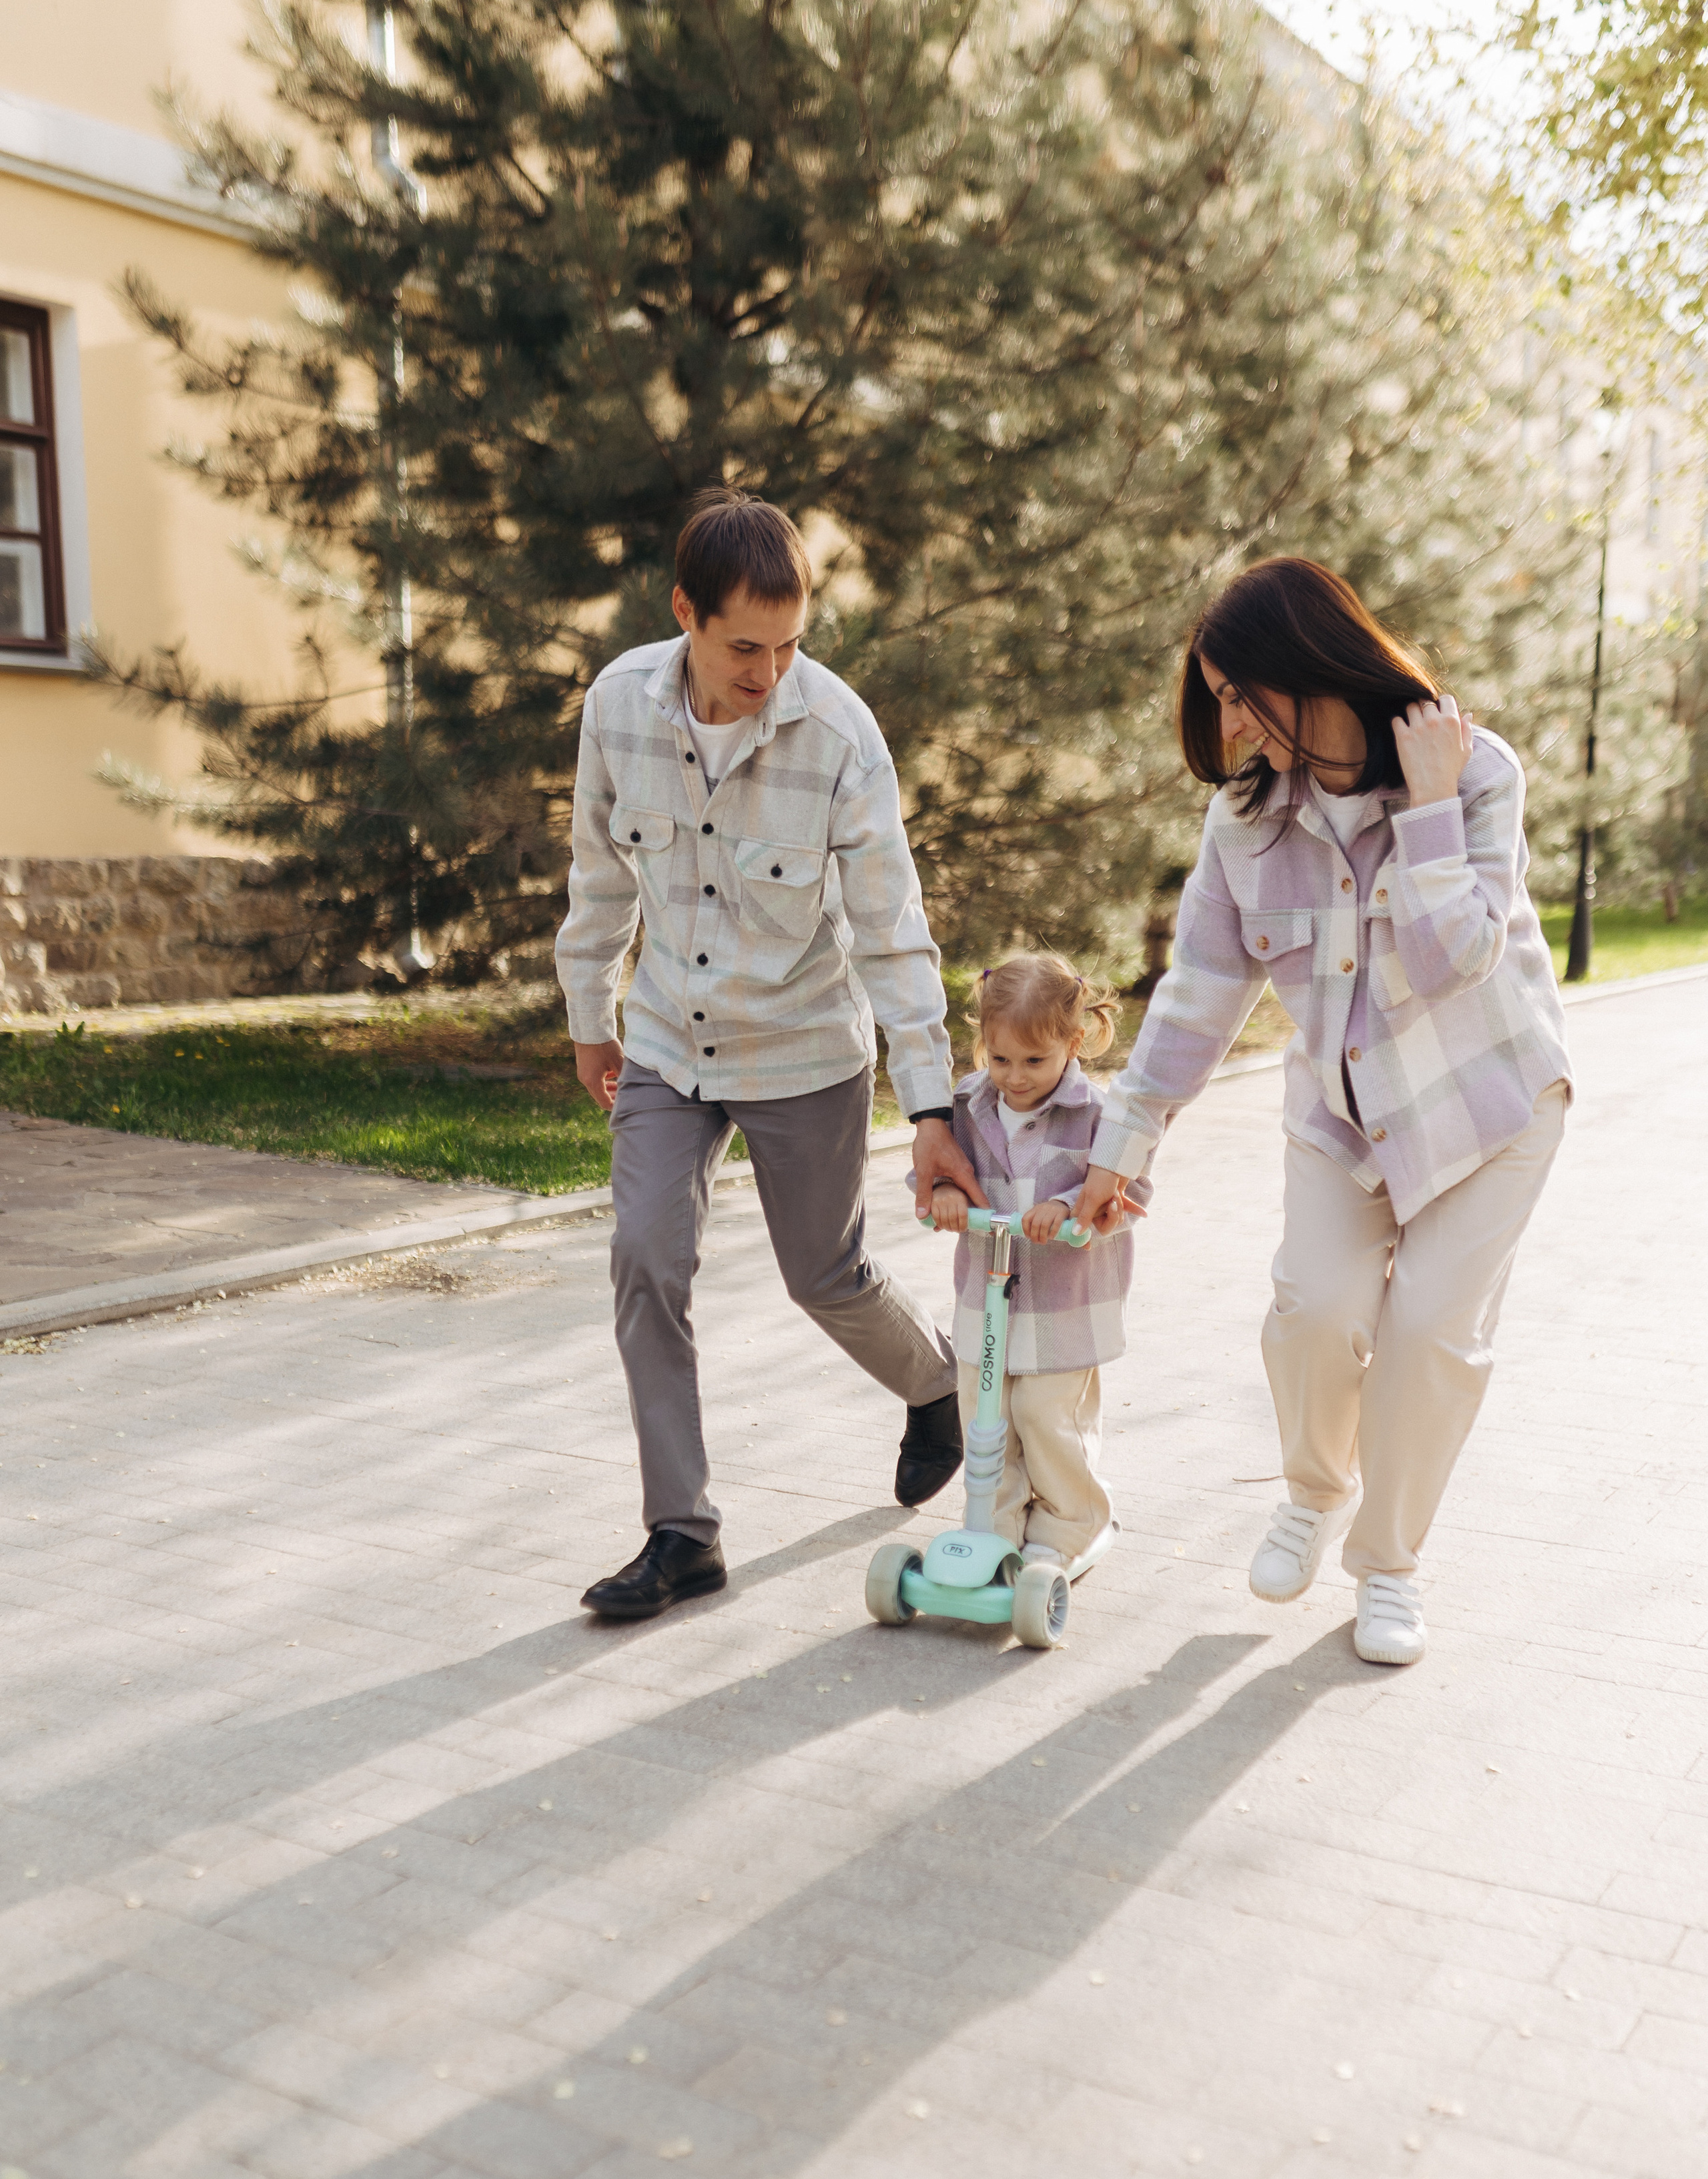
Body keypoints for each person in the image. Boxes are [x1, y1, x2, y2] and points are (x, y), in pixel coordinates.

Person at [1072, 557, 1573, 1666]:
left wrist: (1432, 807)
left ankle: (1387, 1567)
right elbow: (1199, 994)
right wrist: (1126, 1144)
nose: (1234, 727)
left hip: (1486, 1112)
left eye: (1242, 697)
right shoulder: (1246, 819)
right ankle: (1313, 1490)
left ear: (1304, 665)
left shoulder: (1473, 771)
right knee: (1315, 1311)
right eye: (1220, 705)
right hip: (1344, 1120)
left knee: (1430, 1337)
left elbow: (1456, 960)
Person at [559, 489, 985, 1620]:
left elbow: (894, 933)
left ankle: (937, 1380)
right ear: (684, 616)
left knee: (822, 1273)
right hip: (664, 1042)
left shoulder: (839, 736)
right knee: (647, 1256)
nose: (767, 673)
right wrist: (588, 1012)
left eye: (789, 645)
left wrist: (932, 1106)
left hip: (803, 1049)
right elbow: (601, 876)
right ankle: (681, 1532)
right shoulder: (617, 706)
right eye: (744, 647)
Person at [921, 956, 1138, 1570]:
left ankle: (1074, 1520)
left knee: (1045, 1417)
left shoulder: (1101, 1112)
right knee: (985, 1415)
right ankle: (994, 1527)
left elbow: (1132, 1188)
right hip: (984, 1299)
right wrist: (945, 1194)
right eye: (1000, 1059)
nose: (1015, 1077)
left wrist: (1069, 1205)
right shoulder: (967, 1103)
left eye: (1034, 1061)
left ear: (1075, 1043)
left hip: (1063, 1302)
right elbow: (935, 1166)